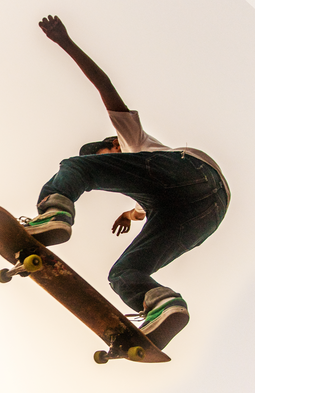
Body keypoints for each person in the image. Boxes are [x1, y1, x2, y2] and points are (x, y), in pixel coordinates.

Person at [23, 15, 230, 350]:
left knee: (77, 167)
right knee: (123, 274)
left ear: (113, 146)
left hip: (191, 173)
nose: (107, 161)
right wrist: (128, 216)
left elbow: (104, 85)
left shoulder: (130, 139)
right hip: (205, 213)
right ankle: (161, 303)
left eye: (105, 154)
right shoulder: (141, 194)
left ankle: (53, 210)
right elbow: (138, 212)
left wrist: (65, 42)